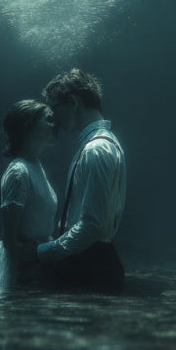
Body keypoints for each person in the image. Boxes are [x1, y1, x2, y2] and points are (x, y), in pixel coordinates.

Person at [35, 69, 126, 292]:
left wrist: (43, 251)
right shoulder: (100, 145)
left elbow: (93, 225)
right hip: (90, 261)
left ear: (73, 102)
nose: (53, 119)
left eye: (55, 108)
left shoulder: (96, 150)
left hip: (89, 266)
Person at [0, 100, 58, 295]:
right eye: (48, 120)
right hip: (25, 263)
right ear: (29, 126)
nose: (54, 124)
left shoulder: (35, 167)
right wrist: (15, 282)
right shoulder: (19, 171)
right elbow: (10, 238)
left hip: (40, 258)